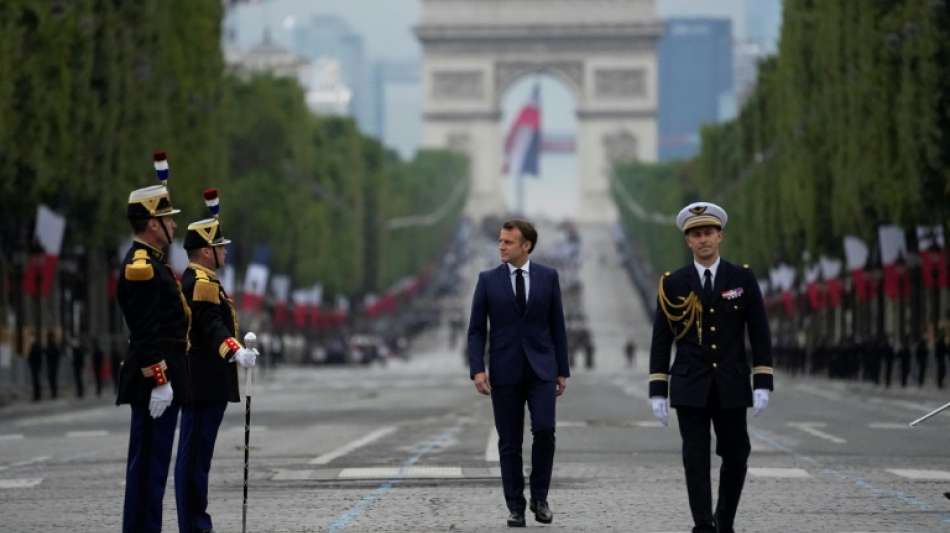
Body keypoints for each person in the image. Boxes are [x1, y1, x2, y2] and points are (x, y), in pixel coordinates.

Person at [648, 202, 773, 533]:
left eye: (708, 233)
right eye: (696, 235)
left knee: (737, 455)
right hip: (690, 384)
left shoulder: (742, 278)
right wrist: (658, 390)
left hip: (731, 382)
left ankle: (725, 519)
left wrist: (762, 381)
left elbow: (759, 332)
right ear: (688, 241)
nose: (703, 240)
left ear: (720, 236)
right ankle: (703, 525)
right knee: (696, 459)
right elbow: (661, 340)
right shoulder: (673, 283)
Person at [467, 219, 570, 527]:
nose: (501, 246)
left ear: (526, 246)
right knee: (509, 442)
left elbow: (558, 327)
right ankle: (515, 505)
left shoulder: (548, 277)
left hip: (541, 370)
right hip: (505, 369)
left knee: (545, 431)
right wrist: (477, 370)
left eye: (508, 242)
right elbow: (475, 331)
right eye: (500, 241)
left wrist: (562, 370)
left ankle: (540, 497)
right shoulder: (487, 280)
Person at [116, 153, 191, 533]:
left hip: (160, 380)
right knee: (148, 470)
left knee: (154, 470)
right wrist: (159, 379)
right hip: (153, 383)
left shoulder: (154, 261)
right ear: (151, 224)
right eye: (168, 219)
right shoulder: (141, 266)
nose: (174, 224)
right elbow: (144, 330)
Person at [175, 189, 256, 533]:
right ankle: (195, 526)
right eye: (220, 247)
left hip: (204, 383)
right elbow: (210, 324)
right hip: (203, 383)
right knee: (194, 460)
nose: (225, 251)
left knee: (197, 459)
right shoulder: (202, 282)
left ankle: (195, 524)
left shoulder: (204, 279)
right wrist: (234, 349)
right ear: (207, 251)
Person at [45, 332, 61, 399]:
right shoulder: (50, 345)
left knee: (53, 379)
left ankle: (54, 393)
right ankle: (53, 393)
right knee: (51, 379)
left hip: (53, 365)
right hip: (51, 364)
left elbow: (56, 354)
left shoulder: (53, 345)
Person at [28, 337, 43, 402]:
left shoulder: (35, 348)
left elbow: (31, 357)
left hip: (35, 367)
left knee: (36, 381)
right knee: (36, 381)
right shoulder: (35, 347)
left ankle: (37, 395)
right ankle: (37, 395)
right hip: (35, 367)